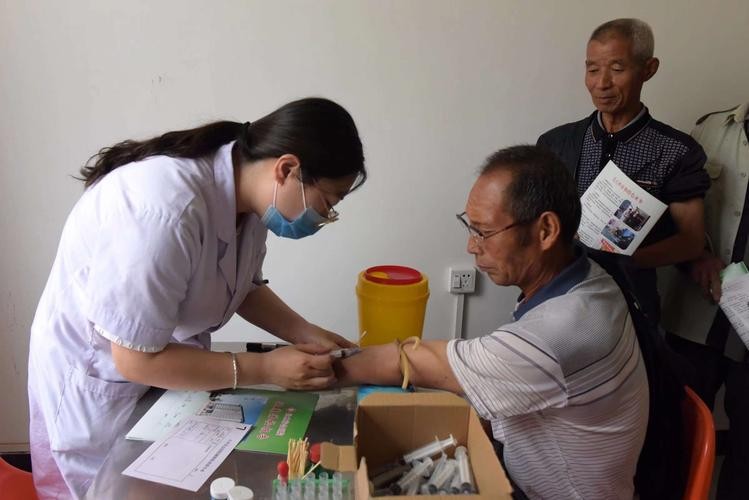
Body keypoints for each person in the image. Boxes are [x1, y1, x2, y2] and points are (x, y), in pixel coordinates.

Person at [27, 97, 366, 498]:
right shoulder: (164, 211)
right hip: (97, 382)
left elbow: (242, 286)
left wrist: (305, 332)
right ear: (286, 169)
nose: (323, 219)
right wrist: (265, 368)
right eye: (327, 203)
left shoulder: (251, 204)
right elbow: (134, 358)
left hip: (157, 376)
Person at [334, 145, 649, 500]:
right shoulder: (591, 277)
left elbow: (420, 361)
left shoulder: (563, 329)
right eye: (470, 227)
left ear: (546, 230)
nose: (472, 246)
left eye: (483, 232)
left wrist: (330, 364)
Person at [537, 18, 709, 323]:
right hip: (554, 296)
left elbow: (691, 240)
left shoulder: (676, 151)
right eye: (592, 70)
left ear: (649, 69)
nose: (602, 83)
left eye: (617, 69)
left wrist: (622, 262)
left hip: (631, 304)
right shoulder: (556, 143)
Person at [660, 102, 749, 500]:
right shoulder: (710, 129)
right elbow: (672, 213)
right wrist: (694, 255)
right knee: (675, 435)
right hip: (696, 316)